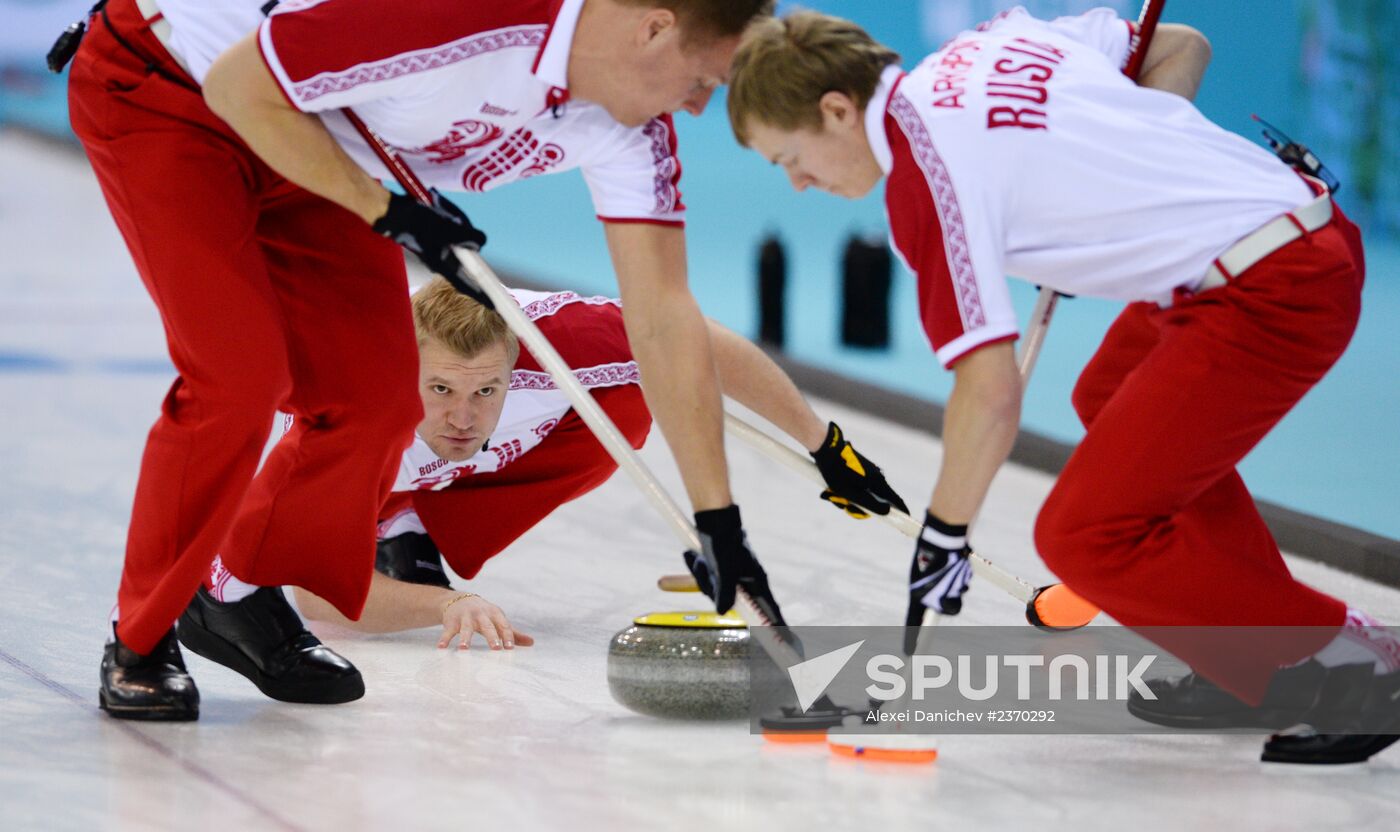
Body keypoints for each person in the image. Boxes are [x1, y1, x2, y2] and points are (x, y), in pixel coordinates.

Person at [58, 0, 779, 721]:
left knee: (377, 398)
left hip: (313, 128)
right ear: (653, 29)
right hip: (172, 90)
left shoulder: (632, 125)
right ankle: (140, 640)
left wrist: (720, 523)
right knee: (237, 377)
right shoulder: (464, 14)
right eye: (702, 79)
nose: (698, 106)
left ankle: (235, 593)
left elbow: (663, 319)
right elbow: (239, 87)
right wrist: (389, 212)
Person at [723, 8, 1399, 763]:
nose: (800, 183)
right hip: (1286, 233)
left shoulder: (924, 182)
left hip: (1274, 288)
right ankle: (1239, 653)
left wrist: (943, 537)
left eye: (790, 157)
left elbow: (988, 396)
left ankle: (1351, 662)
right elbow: (1180, 46)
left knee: (1083, 538)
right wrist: (1112, 181)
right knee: (1107, 394)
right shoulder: (985, 46)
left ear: (837, 111)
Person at [276, 277, 905, 649]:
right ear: (403, 371)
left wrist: (825, 444)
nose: (463, 417)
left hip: (426, 457)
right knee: (349, 535)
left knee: (626, 406)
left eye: (485, 391)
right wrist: (441, 605)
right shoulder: (339, 413)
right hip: (368, 476)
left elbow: (698, 343)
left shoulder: (562, 344)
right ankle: (394, 520)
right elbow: (314, 590)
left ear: (513, 364)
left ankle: (430, 522)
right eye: (440, 390)